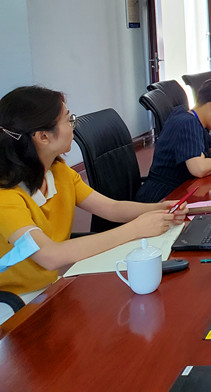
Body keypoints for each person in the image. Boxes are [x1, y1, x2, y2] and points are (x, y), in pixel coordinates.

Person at [0, 86, 187, 301]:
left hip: (48, 289)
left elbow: (111, 208)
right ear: (43, 137)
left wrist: (160, 208)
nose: (73, 126)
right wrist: (135, 229)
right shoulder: (6, 197)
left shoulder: (58, 171)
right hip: (15, 302)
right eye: (69, 120)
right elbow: (50, 256)